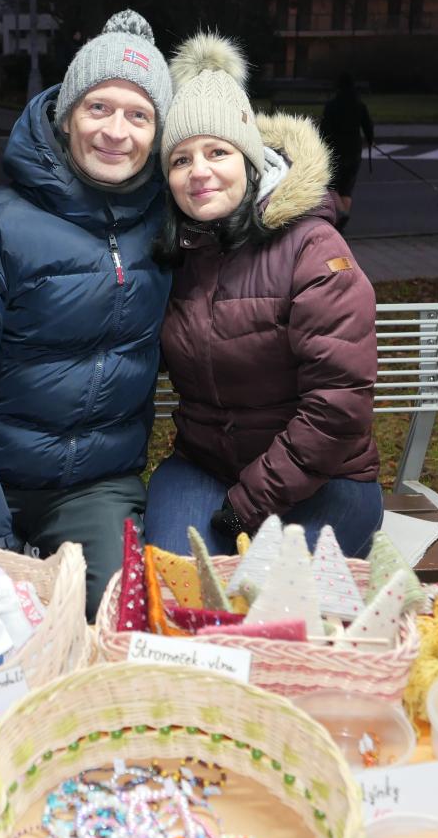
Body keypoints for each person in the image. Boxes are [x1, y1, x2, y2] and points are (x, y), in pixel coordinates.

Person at [0, 10, 173, 619]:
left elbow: (241, 193)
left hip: (96, 488)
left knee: (114, 621)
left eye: (139, 115)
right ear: (66, 114)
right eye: (98, 108)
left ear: (158, 134)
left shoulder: (170, 229)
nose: (116, 132)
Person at [143, 34, 382, 558]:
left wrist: (245, 506)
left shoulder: (313, 248)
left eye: (217, 152)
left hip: (328, 478)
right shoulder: (175, 254)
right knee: (179, 582)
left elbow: (338, 407)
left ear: (251, 161)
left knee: (277, 594)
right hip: (205, 467)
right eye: (180, 159)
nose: (199, 171)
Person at [319, 72, 374, 231]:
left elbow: (324, 129)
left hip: (336, 150)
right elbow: (368, 126)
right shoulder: (359, 105)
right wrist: (370, 140)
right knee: (347, 189)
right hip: (354, 149)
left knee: (331, 185)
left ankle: (342, 213)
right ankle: (342, 221)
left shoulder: (331, 105)